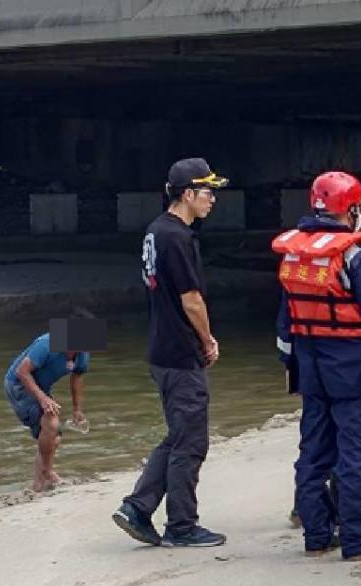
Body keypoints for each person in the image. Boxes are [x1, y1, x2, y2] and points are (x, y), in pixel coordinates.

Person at [273, 170, 361, 561]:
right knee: (357, 452)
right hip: (354, 367)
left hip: (310, 364)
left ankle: (317, 535)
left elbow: (286, 319)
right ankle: (358, 538)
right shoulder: (355, 252)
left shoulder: (296, 252)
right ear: (351, 209)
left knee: (313, 450)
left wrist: (290, 361)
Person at [113, 158, 228, 547]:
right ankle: (181, 525)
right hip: (180, 353)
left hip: (160, 349)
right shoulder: (178, 238)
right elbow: (191, 299)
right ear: (187, 194)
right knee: (192, 442)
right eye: (207, 191)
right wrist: (208, 340)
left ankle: (138, 508)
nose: (212, 199)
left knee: (179, 436)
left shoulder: (154, 231)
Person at [4, 318, 93, 492]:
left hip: (40, 387)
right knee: (51, 423)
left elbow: (77, 376)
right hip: (18, 384)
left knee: (54, 438)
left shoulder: (82, 353)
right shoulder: (46, 345)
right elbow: (21, 372)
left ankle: (38, 485)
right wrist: (42, 398)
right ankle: (48, 471)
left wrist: (77, 409)